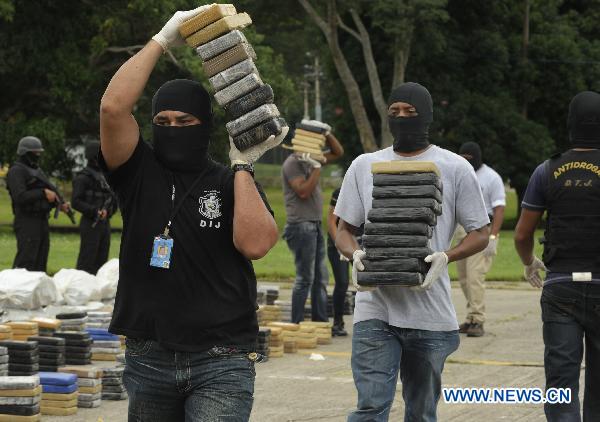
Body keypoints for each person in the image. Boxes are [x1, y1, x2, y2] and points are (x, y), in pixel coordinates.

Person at [99, 6, 284, 421]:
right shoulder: (137, 172)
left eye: (185, 120)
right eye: (162, 120)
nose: (173, 127)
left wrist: (243, 165)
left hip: (222, 356)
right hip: (150, 355)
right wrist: (163, 39)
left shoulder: (229, 178)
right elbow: (113, 109)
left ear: (205, 126)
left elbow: (255, 244)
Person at [334, 82, 490, 421]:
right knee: (372, 405)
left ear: (427, 116)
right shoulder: (364, 165)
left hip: (429, 314)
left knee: (420, 411)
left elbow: (481, 232)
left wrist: (447, 256)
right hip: (375, 308)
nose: (402, 118)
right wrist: (354, 254)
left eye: (410, 112)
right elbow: (343, 229)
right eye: (395, 112)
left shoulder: (454, 167)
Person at [515, 90, 600, 422]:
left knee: (561, 382)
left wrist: (529, 263)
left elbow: (522, 234)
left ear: (569, 125)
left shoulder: (546, 170)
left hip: (561, 286)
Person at [282, 122, 343, 323]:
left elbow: (338, 152)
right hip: (300, 226)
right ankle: (296, 323)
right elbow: (303, 191)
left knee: (320, 277)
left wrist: (326, 133)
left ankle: (319, 321)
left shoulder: (311, 159)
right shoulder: (293, 163)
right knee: (305, 278)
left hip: (314, 225)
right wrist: (316, 167)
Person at [454, 141, 506, 337]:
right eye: (464, 158)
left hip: (483, 229)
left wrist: (493, 236)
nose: (467, 161)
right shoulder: (459, 174)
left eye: (470, 158)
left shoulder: (491, 177)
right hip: (462, 230)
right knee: (464, 278)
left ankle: (478, 319)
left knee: (475, 277)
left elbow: (499, 209)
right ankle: (470, 317)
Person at [6, 136, 70, 272]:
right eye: (35, 153)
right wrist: (42, 193)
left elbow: (51, 190)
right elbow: (20, 196)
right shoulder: (16, 171)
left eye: (39, 152)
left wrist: (60, 203)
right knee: (26, 261)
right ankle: (17, 291)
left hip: (42, 220)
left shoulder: (37, 171)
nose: (38, 155)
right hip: (27, 220)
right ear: (25, 153)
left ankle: (35, 292)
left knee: (40, 260)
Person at [72, 141, 118, 274]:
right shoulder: (83, 178)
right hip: (90, 222)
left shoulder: (106, 177)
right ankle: (82, 287)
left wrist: (108, 212)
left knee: (102, 258)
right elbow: (76, 201)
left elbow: (114, 200)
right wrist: (94, 211)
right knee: (88, 257)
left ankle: (98, 290)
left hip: (104, 223)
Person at [326, 187, 350, 336]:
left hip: (359, 241)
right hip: (338, 244)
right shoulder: (340, 191)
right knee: (342, 283)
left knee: (368, 281)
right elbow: (331, 221)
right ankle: (337, 322)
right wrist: (340, 245)